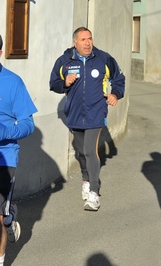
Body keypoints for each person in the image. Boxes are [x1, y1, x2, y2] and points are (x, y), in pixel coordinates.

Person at [49, 27, 125, 211]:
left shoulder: (103, 58)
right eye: (83, 39)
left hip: (96, 113)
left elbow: (119, 78)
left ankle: (94, 191)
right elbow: (53, 83)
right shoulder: (65, 61)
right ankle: (86, 178)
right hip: (75, 114)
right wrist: (64, 83)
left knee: (90, 150)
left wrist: (115, 93)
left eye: (90, 38)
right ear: (75, 42)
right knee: (82, 151)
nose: (88, 43)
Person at [0, 34, 37, 265]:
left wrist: (5, 132)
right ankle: (9, 216)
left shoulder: (13, 82)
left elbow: (28, 123)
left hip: (4, 159)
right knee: (2, 217)